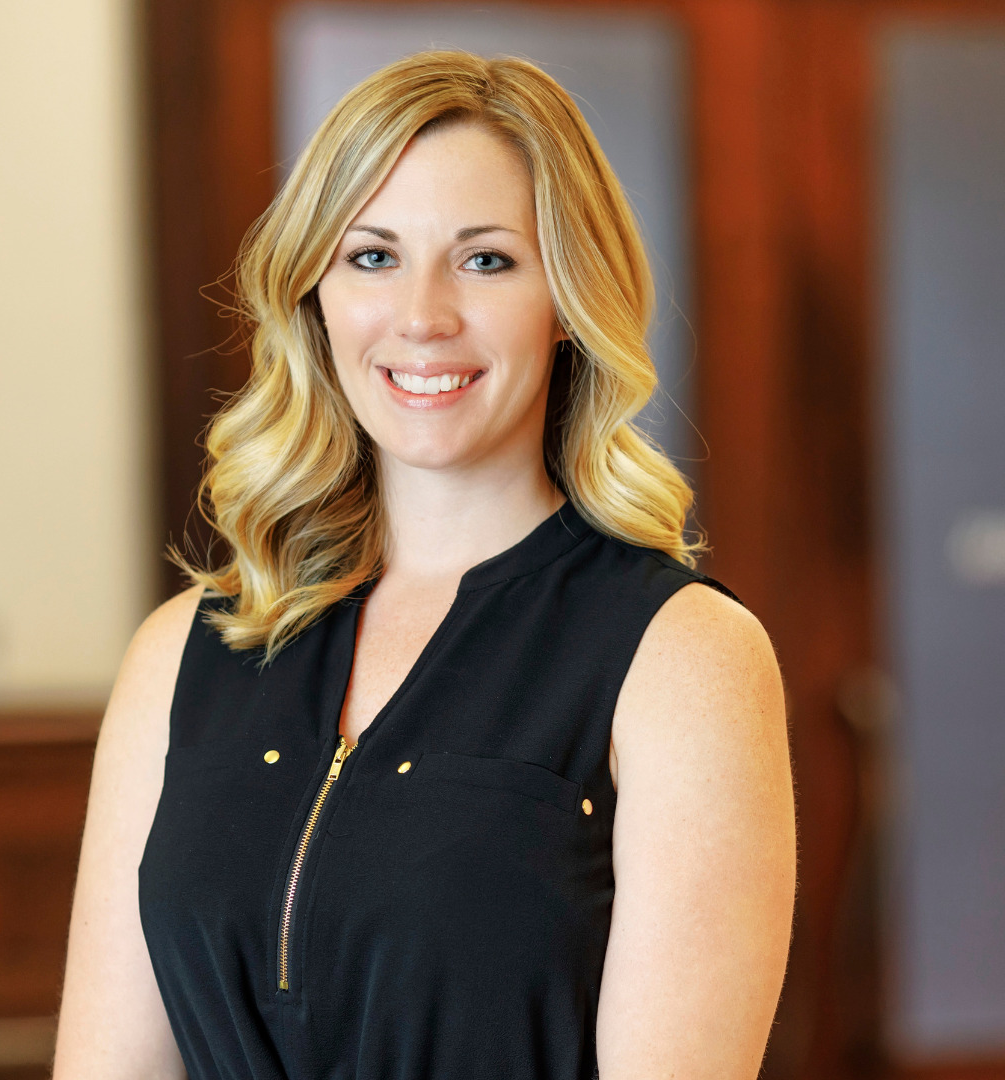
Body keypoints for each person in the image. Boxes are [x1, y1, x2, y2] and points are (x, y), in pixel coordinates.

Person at [53, 49, 796, 1080]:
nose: (422, 316)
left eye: (485, 260)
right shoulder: (183, 653)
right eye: (372, 257)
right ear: (313, 292)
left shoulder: (685, 660)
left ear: (568, 299)